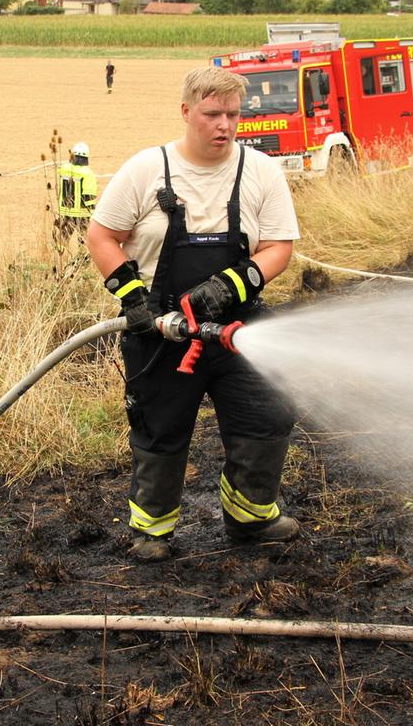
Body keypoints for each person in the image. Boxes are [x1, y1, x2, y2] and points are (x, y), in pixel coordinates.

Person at [86, 66, 301, 563]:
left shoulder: (260, 172)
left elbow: (278, 248)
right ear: (187, 112)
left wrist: (232, 284)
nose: (224, 125)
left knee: (266, 417)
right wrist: (134, 299)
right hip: (161, 333)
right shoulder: (146, 170)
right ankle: (153, 530)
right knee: (160, 429)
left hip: (238, 327)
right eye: (211, 114)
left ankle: (251, 518)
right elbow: (102, 237)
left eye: (232, 114)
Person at [54, 141, 98, 244]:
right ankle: (82, 259)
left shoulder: (64, 168)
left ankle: (60, 259)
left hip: (65, 212)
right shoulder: (87, 174)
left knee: (62, 241)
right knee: (84, 242)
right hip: (82, 214)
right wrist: (92, 212)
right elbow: (89, 196)